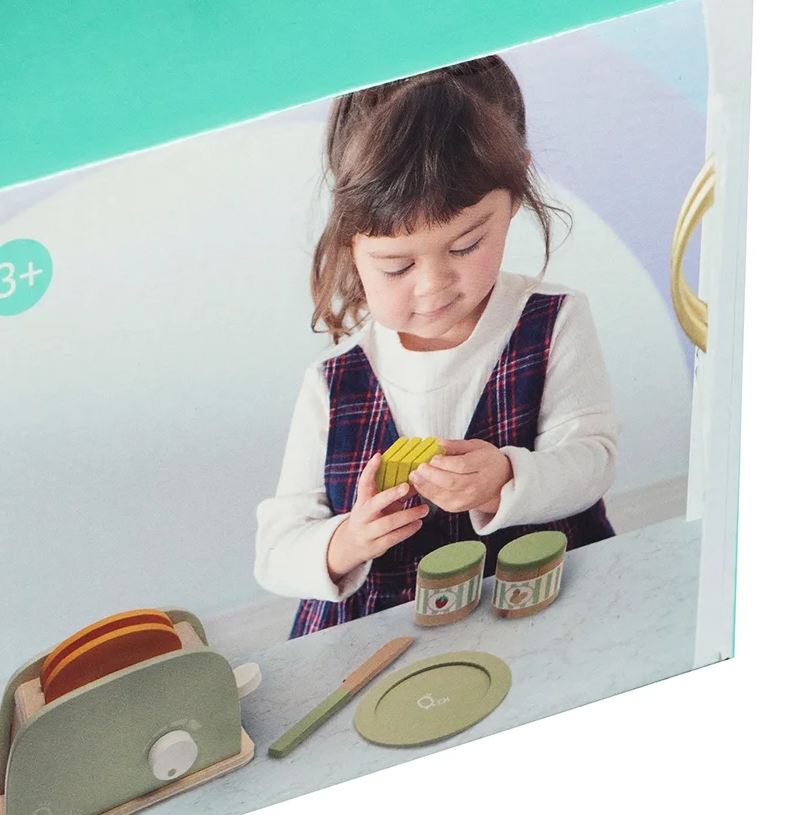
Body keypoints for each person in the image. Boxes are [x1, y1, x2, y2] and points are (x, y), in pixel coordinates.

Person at [255, 56, 618, 634]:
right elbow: (275, 551)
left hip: (531, 603)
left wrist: (506, 478)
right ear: (350, 245)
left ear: (516, 195)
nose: (434, 286)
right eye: (397, 267)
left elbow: (592, 460)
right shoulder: (333, 382)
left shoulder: (552, 322)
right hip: (381, 632)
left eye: (466, 246)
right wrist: (347, 541)